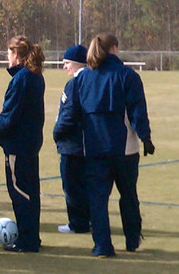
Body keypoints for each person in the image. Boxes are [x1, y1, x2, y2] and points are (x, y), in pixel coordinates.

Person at [54, 33, 153, 256]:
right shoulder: (127, 76)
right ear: (114, 49)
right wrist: (145, 137)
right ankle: (131, 241)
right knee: (128, 196)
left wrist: (57, 133)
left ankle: (102, 245)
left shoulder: (83, 78)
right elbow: (137, 110)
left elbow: (70, 113)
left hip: (94, 147)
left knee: (97, 199)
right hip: (125, 148)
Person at [0, 35, 46, 253]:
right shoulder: (35, 76)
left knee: (20, 191)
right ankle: (32, 236)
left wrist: (1, 132)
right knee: (31, 190)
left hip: (18, 144)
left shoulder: (22, 79)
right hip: (31, 142)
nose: (7, 58)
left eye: (9, 53)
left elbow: (11, 114)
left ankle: (27, 240)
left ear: (16, 54)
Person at [54, 44, 90, 235]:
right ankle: (86, 219)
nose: (64, 67)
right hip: (86, 144)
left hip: (73, 145)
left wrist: (57, 132)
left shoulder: (75, 83)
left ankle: (78, 223)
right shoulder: (91, 79)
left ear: (76, 63)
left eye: (67, 63)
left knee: (72, 185)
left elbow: (69, 115)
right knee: (84, 185)